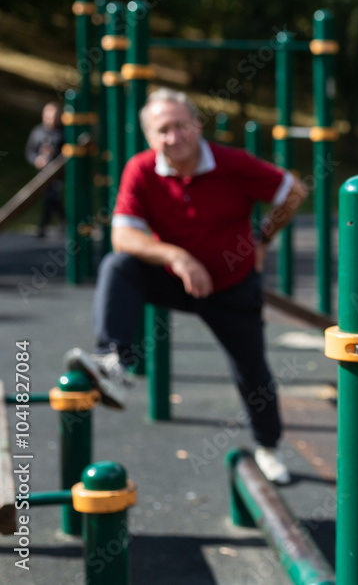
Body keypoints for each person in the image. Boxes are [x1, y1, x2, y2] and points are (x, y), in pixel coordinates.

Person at [66, 88, 307, 485]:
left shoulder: (231, 163)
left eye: (181, 126)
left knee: (251, 370)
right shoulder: (142, 169)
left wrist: (263, 239)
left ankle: (269, 446)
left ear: (197, 125)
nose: (174, 137)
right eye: (163, 130)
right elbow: (123, 237)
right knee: (119, 266)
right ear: (149, 137)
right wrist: (177, 257)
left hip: (231, 283)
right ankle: (114, 361)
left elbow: (292, 191)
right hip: (175, 279)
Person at [24, 101, 66, 238]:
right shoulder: (37, 131)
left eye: (54, 117)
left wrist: (56, 155)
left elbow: (67, 154)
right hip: (42, 174)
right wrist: (36, 160)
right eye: (48, 116)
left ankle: (43, 227)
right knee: (52, 198)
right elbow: (29, 151)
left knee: (52, 196)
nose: (51, 120)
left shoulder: (64, 133)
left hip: (58, 174)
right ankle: (66, 222)